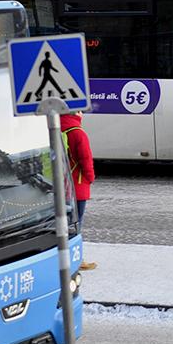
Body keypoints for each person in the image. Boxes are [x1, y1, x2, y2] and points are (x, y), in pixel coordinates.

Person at [59, 113, 97, 271]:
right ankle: (76, 259)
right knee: (76, 224)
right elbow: (86, 159)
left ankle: (61, 257)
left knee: (64, 224)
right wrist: (90, 178)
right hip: (77, 185)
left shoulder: (57, 130)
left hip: (61, 185)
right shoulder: (78, 133)